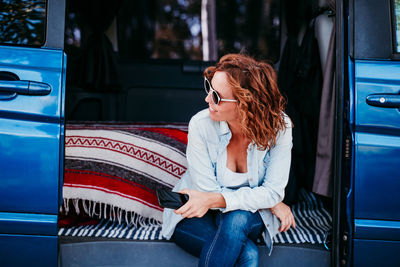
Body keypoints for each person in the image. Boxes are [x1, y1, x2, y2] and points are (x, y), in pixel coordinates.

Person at [161, 54, 296, 267]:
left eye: (216, 96)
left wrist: (272, 198)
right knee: (248, 254)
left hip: (241, 218)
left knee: (237, 219)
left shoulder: (280, 127)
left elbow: (273, 191)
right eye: (208, 88)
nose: (207, 99)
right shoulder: (200, 124)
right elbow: (206, 190)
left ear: (245, 104)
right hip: (196, 215)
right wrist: (270, 202)